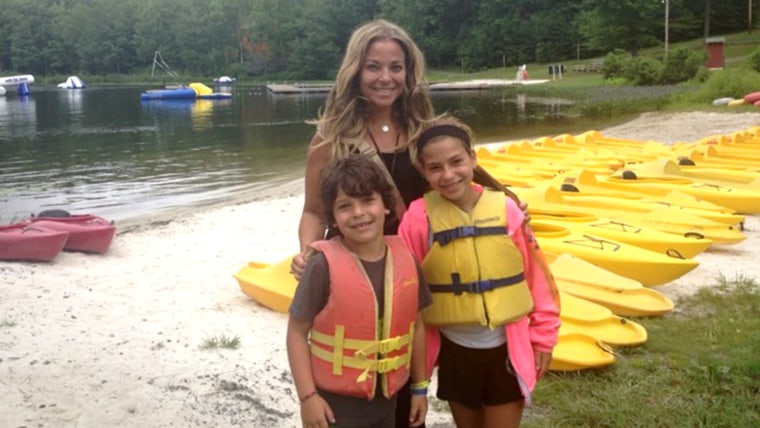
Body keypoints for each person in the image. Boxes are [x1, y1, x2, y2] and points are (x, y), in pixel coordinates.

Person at [291, 18, 527, 427]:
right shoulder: (330, 139)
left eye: (395, 67)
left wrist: (513, 214)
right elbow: (314, 210)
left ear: (409, 72)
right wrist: (307, 252)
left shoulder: (425, 132)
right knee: (357, 379)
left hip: (413, 274)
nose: (385, 77)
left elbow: (462, 182)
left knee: (405, 382)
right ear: (355, 71)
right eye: (373, 66)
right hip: (355, 273)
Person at [398, 115, 561, 428]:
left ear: (473, 158)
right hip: (455, 354)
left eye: (456, 161)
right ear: (424, 172)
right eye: (435, 167)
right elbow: (406, 289)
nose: (448, 175)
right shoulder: (418, 220)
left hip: (505, 352)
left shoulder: (508, 210)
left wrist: (543, 339)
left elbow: (538, 280)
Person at [286, 155, 432, 428]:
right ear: (333, 217)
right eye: (345, 206)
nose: (358, 213)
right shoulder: (321, 265)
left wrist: (420, 387)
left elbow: (418, 327)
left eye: (367, 200)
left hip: (387, 401)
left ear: (386, 206)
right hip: (334, 407)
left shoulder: (406, 258)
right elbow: (296, 331)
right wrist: (308, 398)